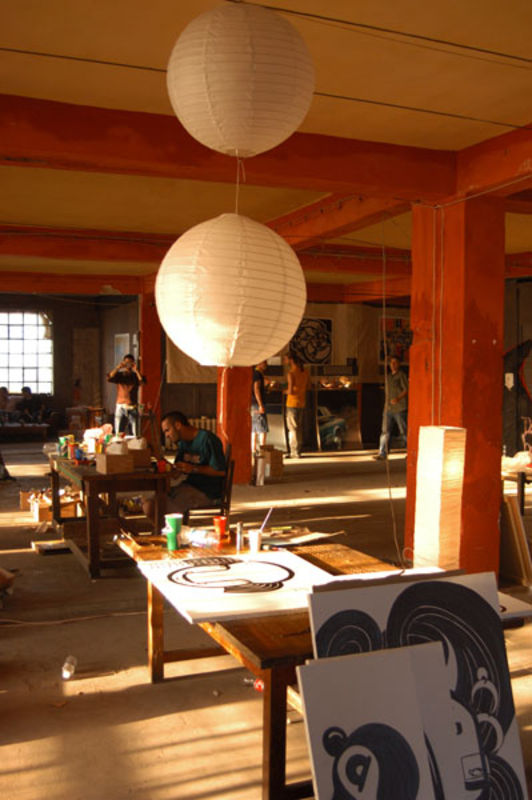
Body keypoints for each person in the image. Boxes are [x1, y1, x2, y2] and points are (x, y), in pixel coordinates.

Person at [143, 411, 226, 520]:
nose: (166, 435)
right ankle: (166, 528)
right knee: (149, 504)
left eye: (167, 430)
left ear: (178, 425)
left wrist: (193, 469)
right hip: (187, 487)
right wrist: (158, 457)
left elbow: (220, 471)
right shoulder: (183, 443)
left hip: (207, 492)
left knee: (157, 508)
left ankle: (171, 528)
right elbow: (176, 472)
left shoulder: (207, 439)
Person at [374, 356, 408, 460]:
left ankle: (410, 452)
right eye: (391, 363)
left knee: (403, 431)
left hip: (399, 408)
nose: (392, 365)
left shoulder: (401, 375)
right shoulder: (388, 377)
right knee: (385, 431)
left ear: (399, 364)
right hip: (388, 408)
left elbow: (406, 389)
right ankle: (382, 453)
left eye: (395, 362)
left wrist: (398, 398)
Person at [106, 354, 146, 436]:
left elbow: (142, 382)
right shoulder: (120, 375)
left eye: (130, 363)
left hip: (132, 406)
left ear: (133, 363)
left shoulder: (135, 376)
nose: (128, 365)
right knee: (118, 432)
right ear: (123, 363)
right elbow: (109, 377)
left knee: (135, 433)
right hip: (120, 406)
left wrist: (136, 370)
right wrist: (118, 367)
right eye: (126, 362)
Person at [284, 352, 310, 458]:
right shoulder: (305, 372)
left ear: (291, 360)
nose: (284, 361)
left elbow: (290, 391)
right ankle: (298, 450)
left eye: (285, 359)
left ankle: (293, 452)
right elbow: (308, 386)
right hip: (301, 402)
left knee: (292, 428)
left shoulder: (291, 373)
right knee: (299, 428)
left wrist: (283, 391)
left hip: (292, 403)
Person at [251, 361, 269, 453]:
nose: (266, 364)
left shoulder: (256, 373)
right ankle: (262, 450)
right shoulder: (257, 374)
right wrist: (260, 405)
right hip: (257, 404)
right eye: (264, 362)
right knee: (262, 428)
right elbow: (256, 389)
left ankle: (253, 450)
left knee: (254, 428)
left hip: (253, 403)